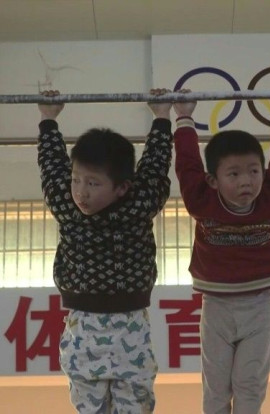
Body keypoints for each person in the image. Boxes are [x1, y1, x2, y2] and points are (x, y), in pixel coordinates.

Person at [36, 88, 174, 413]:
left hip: (131, 326)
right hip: (83, 328)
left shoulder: (139, 204)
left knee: (136, 406)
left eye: (93, 184)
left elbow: (155, 166)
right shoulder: (67, 203)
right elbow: (52, 166)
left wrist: (162, 118)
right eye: (76, 180)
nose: (80, 192)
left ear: (122, 187)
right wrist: (48, 120)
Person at [172, 87, 270, 414]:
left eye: (254, 171)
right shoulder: (201, 199)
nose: (246, 181)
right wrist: (183, 116)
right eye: (234, 174)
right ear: (213, 180)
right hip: (216, 308)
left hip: (258, 307)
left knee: (249, 388)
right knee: (215, 391)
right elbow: (187, 164)